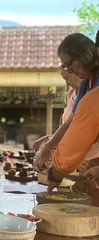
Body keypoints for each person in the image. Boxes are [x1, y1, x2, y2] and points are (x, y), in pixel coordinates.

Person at [35, 33, 99, 171]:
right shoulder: (85, 85)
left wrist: (79, 157)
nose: (71, 72)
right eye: (65, 67)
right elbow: (70, 122)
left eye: (69, 65)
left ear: (84, 56)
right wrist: (49, 146)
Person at [44, 86, 99, 206]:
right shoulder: (80, 94)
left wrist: (56, 175)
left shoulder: (93, 99)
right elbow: (69, 125)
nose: (68, 71)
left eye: (69, 66)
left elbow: (73, 144)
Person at [32, 69, 82, 150]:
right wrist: (48, 138)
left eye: (67, 78)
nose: (66, 83)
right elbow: (66, 130)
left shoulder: (88, 95)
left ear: (76, 73)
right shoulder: (70, 94)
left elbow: (74, 130)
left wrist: (49, 144)